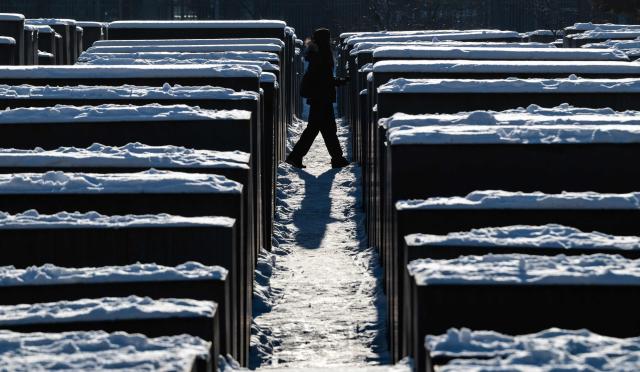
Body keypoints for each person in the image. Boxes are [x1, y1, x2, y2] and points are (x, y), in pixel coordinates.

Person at [286, 28, 350, 169]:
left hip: (320, 97)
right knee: (317, 129)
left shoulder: (318, 53)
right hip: (321, 98)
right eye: (328, 38)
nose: (330, 41)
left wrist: (338, 80)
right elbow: (323, 78)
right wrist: (337, 81)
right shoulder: (321, 54)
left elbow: (323, 77)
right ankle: (296, 157)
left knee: (326, 129)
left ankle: (336, 157)